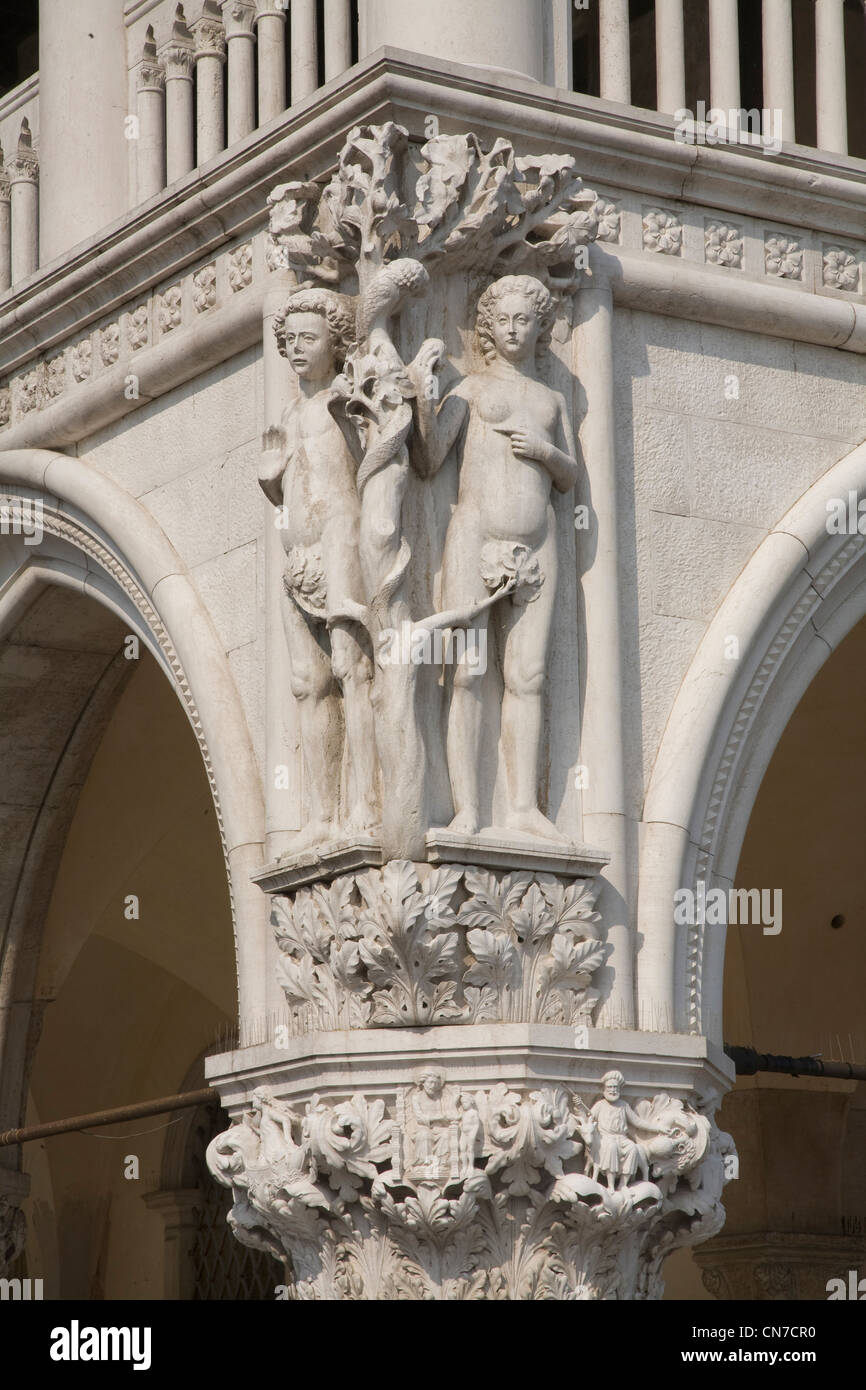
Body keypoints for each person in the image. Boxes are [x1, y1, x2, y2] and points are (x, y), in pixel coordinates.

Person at [412, 274, 579, 840]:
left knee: (527, 675)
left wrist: (546, 450)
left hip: (540, 544)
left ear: (539, 327)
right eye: (503, 320)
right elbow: (431, 457)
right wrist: (422, 393)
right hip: (474, 535)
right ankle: (468, 810)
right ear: (488, 328)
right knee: (467, 673)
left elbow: (570, 477)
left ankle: (524, 809)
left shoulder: (552, 400)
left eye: (523, 320)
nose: (513, 330)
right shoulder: (473, 389)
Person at [259, 289, 378, 848]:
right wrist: (271, 480)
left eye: (309, 338)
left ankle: (364, 809)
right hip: (297, 554)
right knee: (309, 683)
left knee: (354, 670)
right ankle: (319, 816)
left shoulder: (344, 399)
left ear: (336, 343)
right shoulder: (287, 412)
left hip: (340, 539)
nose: (296, 348)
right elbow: (288, 496)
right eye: (289, 340)